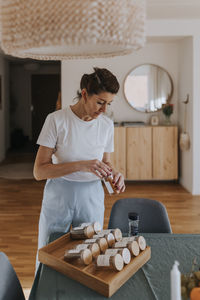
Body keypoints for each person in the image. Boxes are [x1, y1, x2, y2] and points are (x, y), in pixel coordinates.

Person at [33, 67, 125, 268]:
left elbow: (106, 162)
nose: (104, 110)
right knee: (50, 254)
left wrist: (114, 174)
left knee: (90, 255)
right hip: (59, 194)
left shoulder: (106, 125)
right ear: (84, 94)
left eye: (108, 104)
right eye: (100, 102)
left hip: (91, 196)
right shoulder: (56, 120)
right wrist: (81, 165)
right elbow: (39, 171)